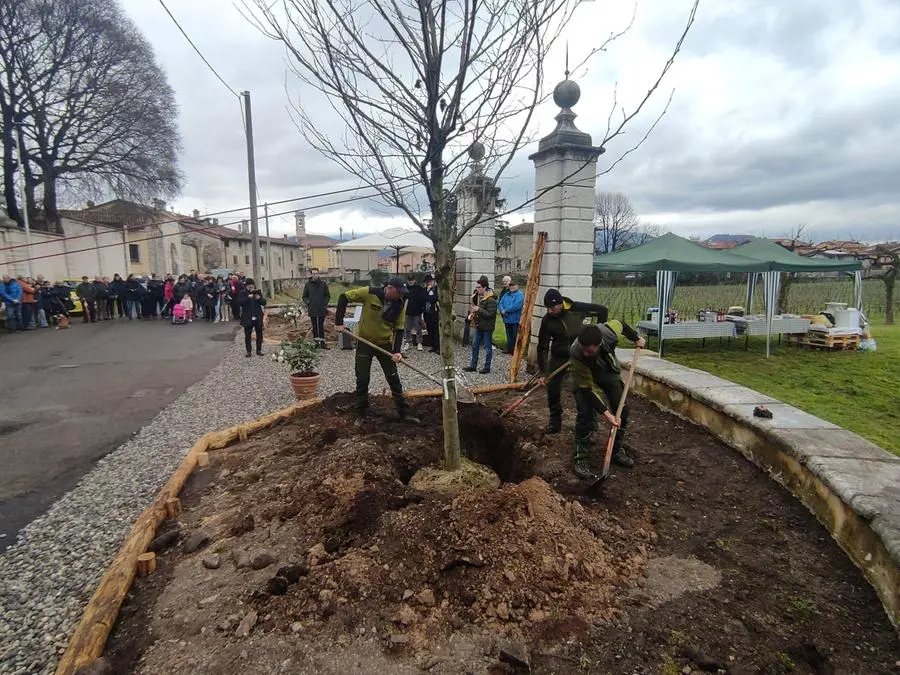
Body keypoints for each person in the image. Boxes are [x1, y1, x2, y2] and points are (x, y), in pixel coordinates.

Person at [334, 277, 418, 425]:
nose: (401, 296)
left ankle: (404, 413)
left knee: (393, 379)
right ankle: (361, 414)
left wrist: (397, 351)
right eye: (399, 292)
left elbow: (399, 329)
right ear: (390, 288)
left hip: (385, 344)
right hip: (364, 343)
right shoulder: (369, 293)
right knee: (362, 379)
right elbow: (343, 297)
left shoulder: (400, 303)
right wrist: (339, 322)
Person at [568, 323, 645, 479]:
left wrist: (636, 338)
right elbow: (587, 390)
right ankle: (580, 459)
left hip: (606, 370)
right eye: (584, 348)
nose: (585, 352)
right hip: (584, 377)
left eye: (589, 350)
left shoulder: (608, 333)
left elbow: (621, 325)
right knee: (585, 414)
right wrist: (606, 414)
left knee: (622, 410)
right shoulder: (576, 352)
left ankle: (615, 451)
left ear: (598, 345)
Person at [537, 288, 611, 434]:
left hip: (579, 355)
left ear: (560, 304)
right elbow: (542, 347)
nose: (550, 311)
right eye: (548, 308)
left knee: (584, 389)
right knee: (552, 388)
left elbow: (603, 311)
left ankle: (591, 422)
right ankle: (555, 421)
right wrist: (543, 371)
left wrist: (596, 335)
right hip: (560, 356)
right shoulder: (547, 320)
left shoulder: (577, 308)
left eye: (553, 307)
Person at [463, 278, 497, 374]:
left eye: (479, 287)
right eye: (476, 287)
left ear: (485, 287)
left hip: (487, 328)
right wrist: (473, 314)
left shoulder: (491, 300)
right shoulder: (481, 298)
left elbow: (491, 314)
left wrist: (478, 309)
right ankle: (473, 366)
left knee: (487, 347)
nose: (477, 289)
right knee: (474, 346)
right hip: (479, 326)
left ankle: (487, 367)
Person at [237, 278, 266, 357]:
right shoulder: (243, 293)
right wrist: (247, 298)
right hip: (247, 317)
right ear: (246, 286)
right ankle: (248, 351)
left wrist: (259, 298)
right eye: (248, 285)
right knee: (248, 335)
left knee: (259, 334)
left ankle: (259, 350)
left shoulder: (257, 292)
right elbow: (239, 303)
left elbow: (264, 303)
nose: (250, 286)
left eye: (252, 285)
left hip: (257, 316)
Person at [302, 267, 330, 348]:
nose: (315, 275)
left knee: (321, 326)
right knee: (314, 327)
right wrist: (309, 303)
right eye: (313, 273)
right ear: (311, 274)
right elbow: (304, 296)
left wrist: (324, 304)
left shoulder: (323, 284)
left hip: (321, 308)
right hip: (312, 308)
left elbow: (327, 296)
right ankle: (316, 343)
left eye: (316, 273)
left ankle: (322, 343)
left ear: (318, 274)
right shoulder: (308, 285)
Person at [498, 279, 524, 354]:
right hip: (507, 319)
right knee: (508, 335)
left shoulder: (519, 295)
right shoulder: (506, 294)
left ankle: (515, 351)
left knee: (515, 335)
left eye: (513, 285)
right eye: (510, 285)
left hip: (515, 319)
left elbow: (517, 306)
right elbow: (500, 303)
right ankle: (509, 348)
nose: (512, 287)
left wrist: (506, 310)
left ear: (517, 286)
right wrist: (502, 310)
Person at [403, 274, 426, 352]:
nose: (410, 282)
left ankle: (419, 342)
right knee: (407, 328)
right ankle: (407, 342)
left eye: (412, 280)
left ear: (414, 280)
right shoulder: (405, 289)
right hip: (407, 312)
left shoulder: (419, 289)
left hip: (417, 311)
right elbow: (402, 300)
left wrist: (422, 310)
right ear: (407, 281)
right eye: (409, 280)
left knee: (418, 328)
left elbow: (423, 299)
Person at [423, 274, 440, 353]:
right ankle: (433, 345)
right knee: (429, 330)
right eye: (427, 282)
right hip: (427, 312)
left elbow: (433, 299)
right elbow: (423, 299)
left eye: (430, 281)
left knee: (435, 330)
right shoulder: (425, 289)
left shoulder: (436, 289)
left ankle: (437, 347)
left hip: (434, 313)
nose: (428, 283)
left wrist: (427, 293)